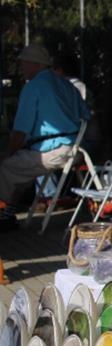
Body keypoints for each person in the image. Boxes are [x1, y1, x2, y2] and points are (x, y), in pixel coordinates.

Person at [0, 43, 90, 230]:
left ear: (35, 64)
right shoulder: (66, 84)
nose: (21, 67)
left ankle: (5, 215)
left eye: (24, 63)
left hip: (55, 151)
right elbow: (86, 115)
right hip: (76, 148)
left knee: (6, 165)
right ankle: (7, 215)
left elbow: (20, 132)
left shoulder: (33, 88)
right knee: (20, 167)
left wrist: (7, 152)